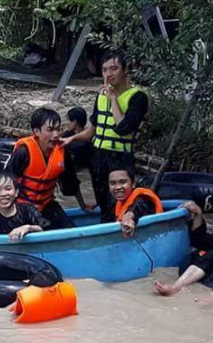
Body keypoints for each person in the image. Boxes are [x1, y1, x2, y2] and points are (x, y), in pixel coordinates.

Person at [62, 50, 149, 218]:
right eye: (104, 70)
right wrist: (70, 139)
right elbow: (94, 129)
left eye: (114, 69)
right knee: (103, 202)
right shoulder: (100, 97)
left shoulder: (138, 97)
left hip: (120, 158)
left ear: (125, 70)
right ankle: (89, 210)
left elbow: (124, 127)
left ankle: (119, 226)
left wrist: (113, 98)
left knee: (116, 204)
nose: (108, 74)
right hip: (98, 156)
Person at [9, 108, 94, 230]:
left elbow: (71, 182)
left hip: (47, 205)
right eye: (50, 130)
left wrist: (83, 205)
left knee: (69, 230)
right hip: (22, 207)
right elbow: (5, 182)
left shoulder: (62, 152)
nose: (55, 135)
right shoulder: (23, 152)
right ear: (36, 131)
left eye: (58, 129)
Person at [100, 164, 162, 238]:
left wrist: (129, 216)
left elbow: (138, 206)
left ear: (133, 184)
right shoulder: (115, 203)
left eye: (123, 182)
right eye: (113, 183)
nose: (118, 187)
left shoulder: (143, 198)